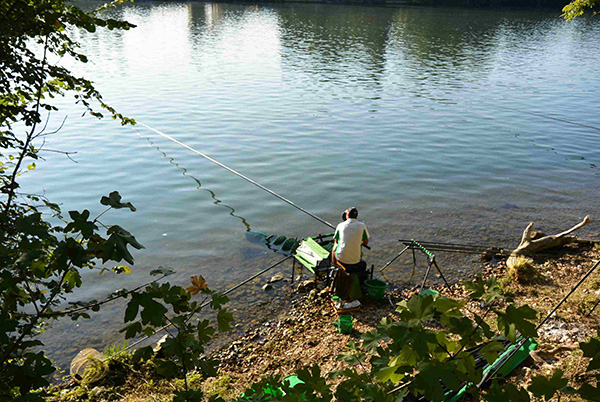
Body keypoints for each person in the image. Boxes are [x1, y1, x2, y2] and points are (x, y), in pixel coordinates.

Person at [332, 207, 369, 273]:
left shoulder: (340, 225)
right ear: (356, 216)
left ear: (347, 215)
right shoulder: (362, 226)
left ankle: (335, 264)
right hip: (356, 260)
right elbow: (365, 243)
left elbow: (336, 241)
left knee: (335, 245)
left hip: (341, 259)